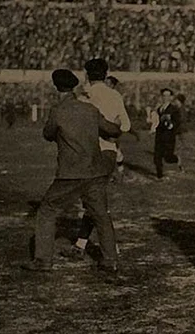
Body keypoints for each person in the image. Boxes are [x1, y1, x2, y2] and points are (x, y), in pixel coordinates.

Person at [21, 69, 121, 273]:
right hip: (95, 171)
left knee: (47, 210)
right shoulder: (90, 109)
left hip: (70, 174)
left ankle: (43, 261)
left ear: (57, 88)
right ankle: (110, 260)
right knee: (101, 214)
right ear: (75, 87)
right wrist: (116, 123)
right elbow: (112, 130)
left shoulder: (58, 111)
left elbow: (48, 134)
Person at [61, 60, 131, 260]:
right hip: (107, 152)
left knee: (94, 202)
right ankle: (82, 244)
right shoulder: (114, 95)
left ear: (86, 74)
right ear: (106, 73)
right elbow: (125, 125)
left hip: (86, 153)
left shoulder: (83, 97)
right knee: (94, 200)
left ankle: (109, 248)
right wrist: (111, 126)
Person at [154, 88, 185, 180]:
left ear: (171, 97)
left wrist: (171, 125)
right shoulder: (159, 108)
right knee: (157, 156)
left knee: (168, 157)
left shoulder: (174, 109)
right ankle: (159, 175)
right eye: (164, 96)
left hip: (169, 136)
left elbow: (177, 121)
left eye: (168, 96)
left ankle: (176, 159)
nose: (165, 98)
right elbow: (156, 121)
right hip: (159, 135)